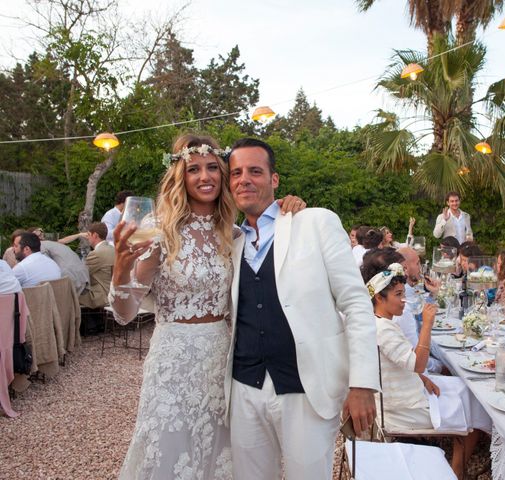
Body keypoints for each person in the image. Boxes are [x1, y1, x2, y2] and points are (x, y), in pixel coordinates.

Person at [110, 133, 304, 480]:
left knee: (224, 454)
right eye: (193, 169)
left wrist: (291, 205)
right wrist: (121, 268)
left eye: (213, 168)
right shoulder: (160, 233)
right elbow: (125, 314)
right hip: (174, 362)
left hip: (225, 360)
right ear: (179, 177)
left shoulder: (235, 232)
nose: (205, 177)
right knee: (170, 449)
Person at [225, 137, 379, 480]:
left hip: (307, 389)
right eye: (236, 173)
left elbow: (356, 303)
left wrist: (363, 383)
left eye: (254, 171)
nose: (244, 179)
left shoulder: (315, 222)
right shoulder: (230, 240)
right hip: (244, 388)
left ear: (274, 179)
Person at [362, 259, 488, 479]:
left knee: (463, 386)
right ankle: (458, 466)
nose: (403, 300)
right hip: (403, 408)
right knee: (473, 398)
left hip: (407, 390)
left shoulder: (381, 322)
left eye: (403, 294)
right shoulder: (384, 330)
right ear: (379, 298)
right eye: (398, 295)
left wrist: (422, 378)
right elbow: (418, 362)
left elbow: (406, 363)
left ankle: (463, 455)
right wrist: (427, 324)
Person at [30, 227, 89, 294]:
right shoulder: (48, 242)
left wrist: (79, 235)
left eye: (41, 233)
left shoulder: (43, 242)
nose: (41, 235)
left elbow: (64, 240)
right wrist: (79, 235)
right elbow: (64, 241)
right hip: (82, 275)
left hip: (70, 277)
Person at [79, 222, 115, 309]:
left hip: (100, 296)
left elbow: (82, 275)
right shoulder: (113, 249)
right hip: (112, 293)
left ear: (95, 235)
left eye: (88, 234)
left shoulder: (96, 253)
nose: (87, 238)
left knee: (69, 295)